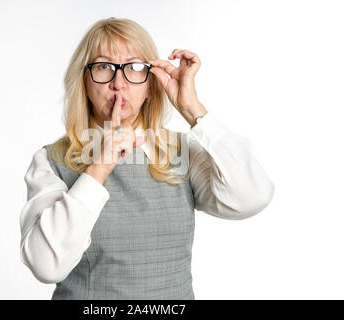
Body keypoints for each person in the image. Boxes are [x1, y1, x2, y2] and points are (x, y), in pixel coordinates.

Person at [19, 17, 275, 300]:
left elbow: (253, 196)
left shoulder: (181, 152)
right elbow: (46, 266)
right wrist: (99, 167)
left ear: (151, 84)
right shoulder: (51, 160)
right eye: (104, 67)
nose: (119, 83)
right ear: (84, 81)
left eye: (134, 67)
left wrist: (192, 110)